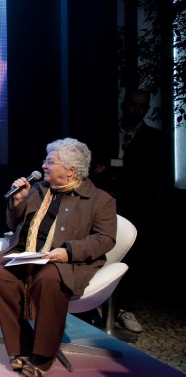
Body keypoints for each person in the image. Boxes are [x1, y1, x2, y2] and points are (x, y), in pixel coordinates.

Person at [0, 138, 117, 376]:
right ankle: (21, 346)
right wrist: (17, 202)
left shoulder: (100, 200)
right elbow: (15, 225)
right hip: (28, 254)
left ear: (71, 171)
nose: (44, 165)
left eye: (51, 161)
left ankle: (43, 354)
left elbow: (105, 239)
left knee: (49, 278)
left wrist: (68, 251)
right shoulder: (38, 191)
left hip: (66, 261)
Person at [91, 88, 166, 334]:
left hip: (135, 207)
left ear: (146, 109)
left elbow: (151, 178)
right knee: (94, 250)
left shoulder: (154, 139)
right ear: (125, 105)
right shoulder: (103, 132)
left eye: (141, 106)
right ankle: (91, 306)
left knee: (132, 257)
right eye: (133, 104)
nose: (136, 109)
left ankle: (124, 308)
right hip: (102, 203)